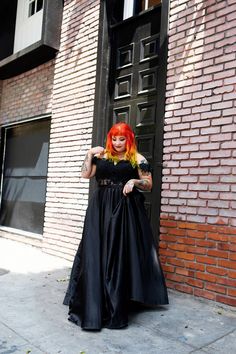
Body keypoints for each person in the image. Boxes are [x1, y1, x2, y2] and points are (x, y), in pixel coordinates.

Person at [63, 122, 168, 330]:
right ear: (109, 139)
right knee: (96, 249)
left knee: (117, 253)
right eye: (114, 138)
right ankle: (96, 298)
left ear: (129, 139)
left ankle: (117, 301)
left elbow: (148, 184)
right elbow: (86, 175)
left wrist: (134, 182)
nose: (118, 143)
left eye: (122, 139)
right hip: (100, 208)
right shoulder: (101, 156)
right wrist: (89, 152)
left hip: (124, 209)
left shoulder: (138, 158)